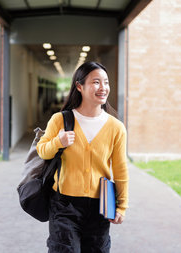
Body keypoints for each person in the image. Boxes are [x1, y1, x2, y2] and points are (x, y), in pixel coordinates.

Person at [37, 61, 129, 252]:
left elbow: (120, 169)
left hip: (100, 206)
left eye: (106, 82)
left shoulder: (115, 127)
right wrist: (58, 142)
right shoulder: (60, 120)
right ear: (79, 86)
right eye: (96, 82)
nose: (103, 87)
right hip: (64, 205)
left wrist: (122, 206)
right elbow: (42, 151)